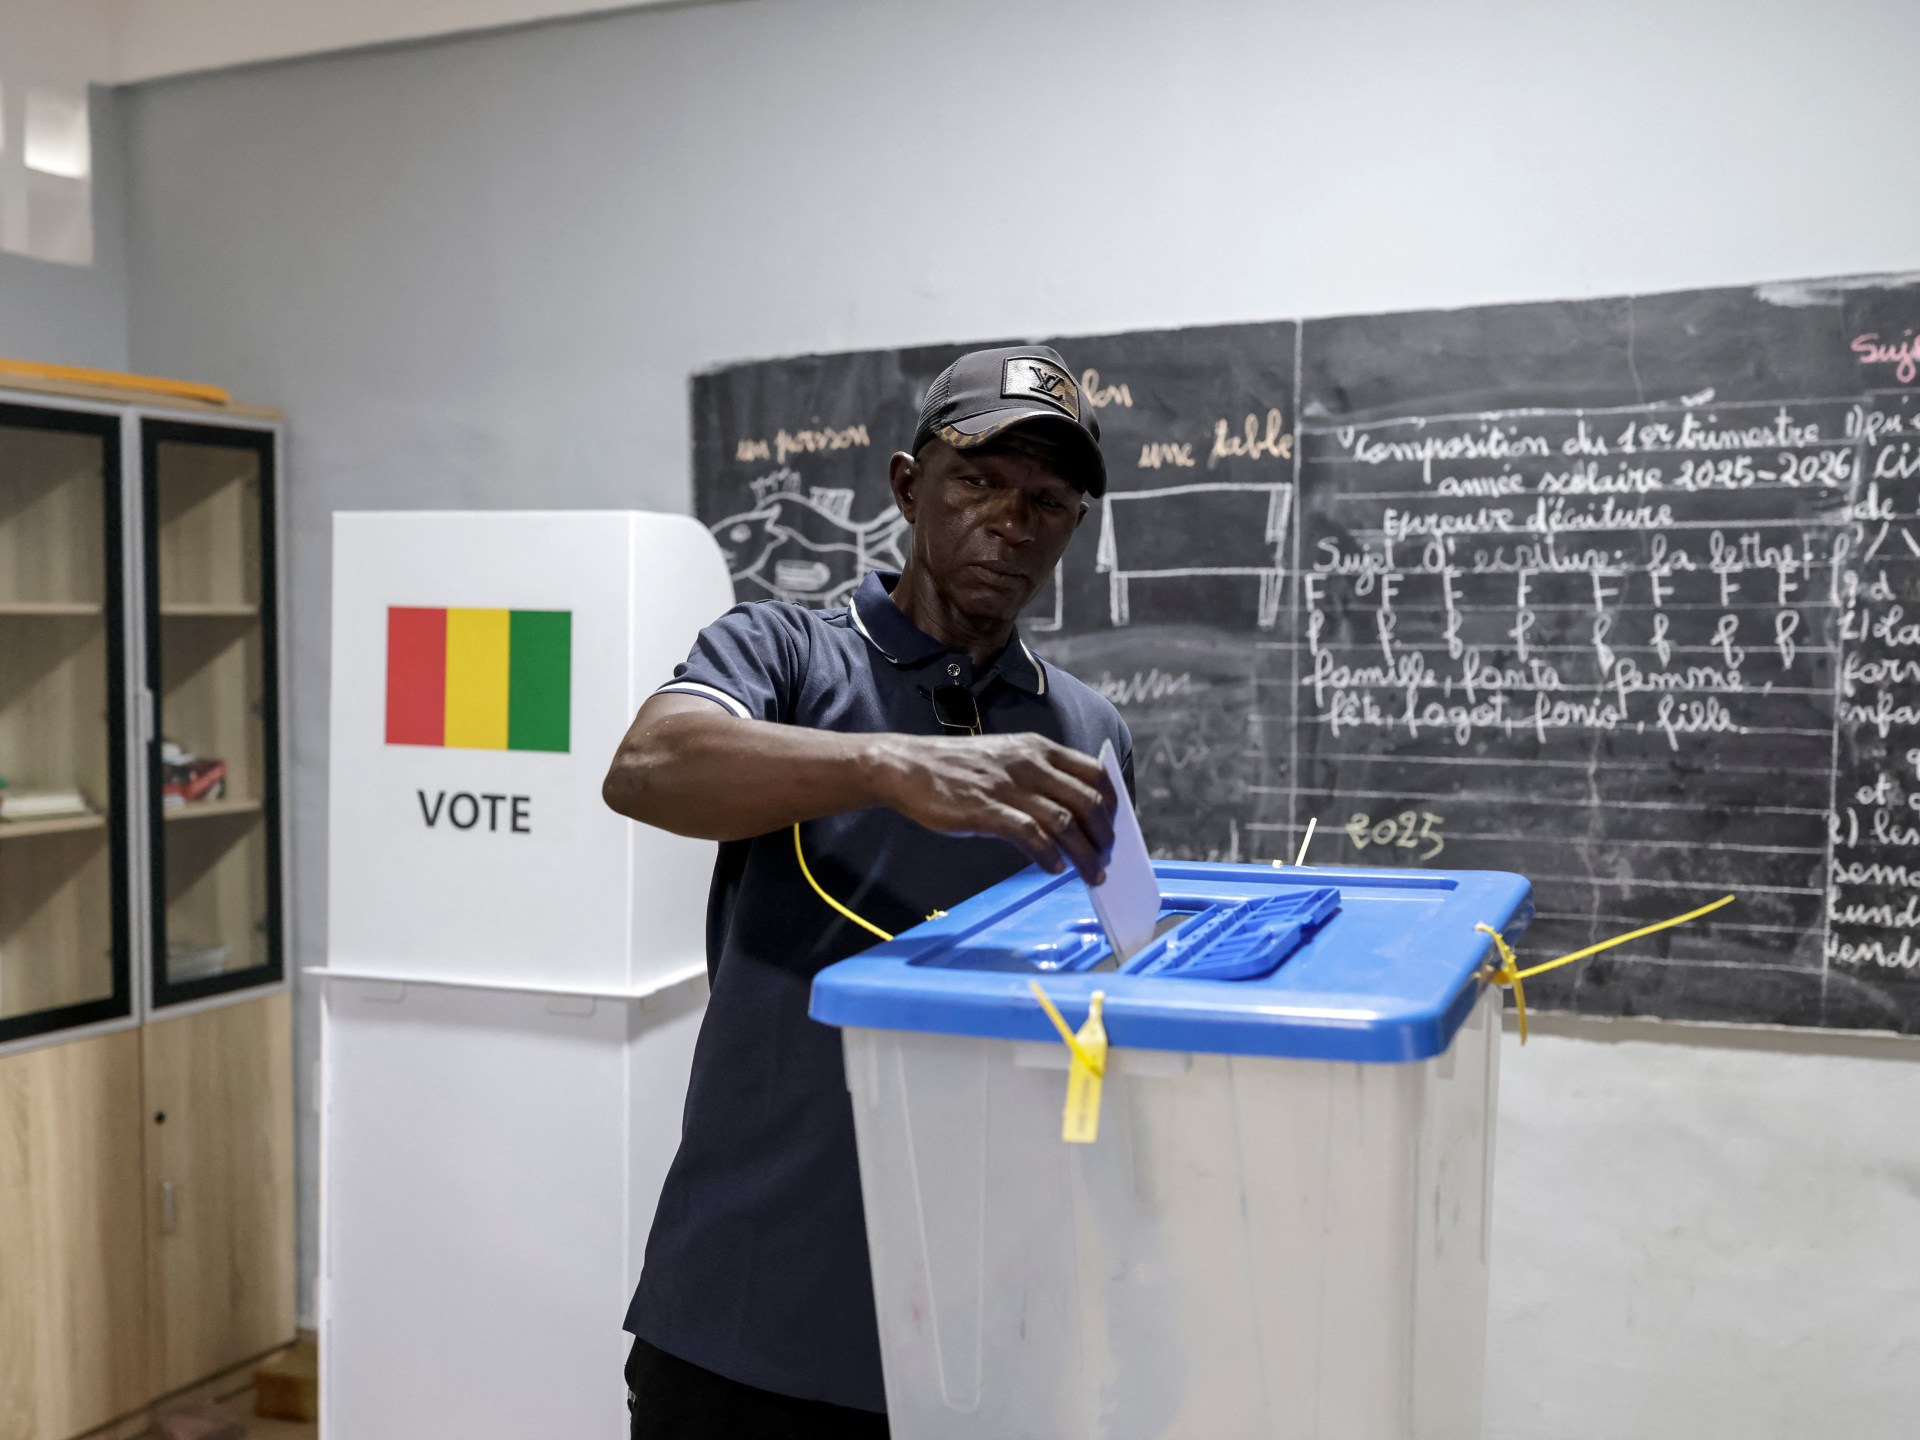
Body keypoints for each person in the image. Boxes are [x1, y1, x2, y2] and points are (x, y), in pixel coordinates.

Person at [603, 344, 1133, 1438]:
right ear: (907, 485)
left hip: (984, 1318)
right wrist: (891, 765)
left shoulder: (1088, 732)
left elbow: (1118, 969)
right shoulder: (785, 654)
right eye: (978, 480)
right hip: (754, 1301)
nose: (1011, 522)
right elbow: (648, 768)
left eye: (1047, 502)